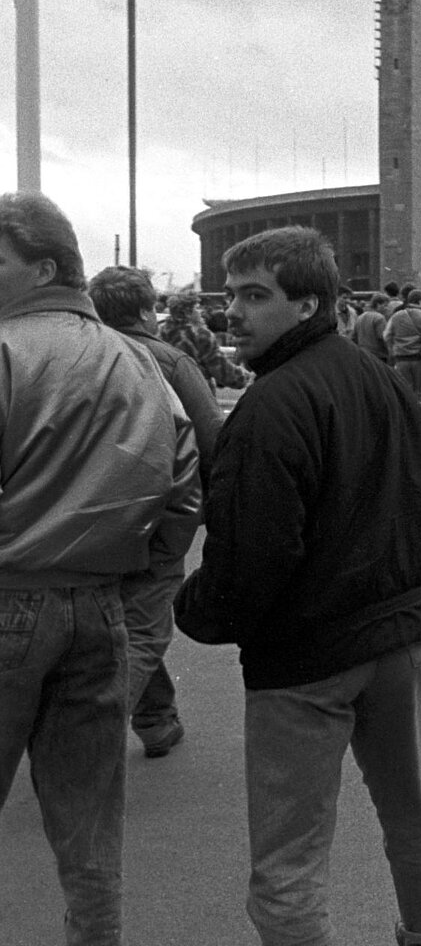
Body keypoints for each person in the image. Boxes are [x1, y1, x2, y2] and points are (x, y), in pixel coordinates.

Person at [174, 226, 421, 946]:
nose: (233, 311)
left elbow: (252, 558)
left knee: (288, 859)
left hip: (304, 657)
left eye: (254, 296)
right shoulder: (383, 382)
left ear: (306, 305)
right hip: (393, 634)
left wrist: (194, 608)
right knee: (411, 814)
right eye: (232, 294)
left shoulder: (271, 407)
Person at [0, 194, 200, 944]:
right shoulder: (138, 362)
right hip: (101, 606)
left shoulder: (8, 350)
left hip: (9, 595)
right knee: (89, 835)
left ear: (42, 267)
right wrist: (138, 566)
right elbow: (183, 484)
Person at [88, 264, 224, 760]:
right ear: (148, 310)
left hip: (88, 512)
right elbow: (211, 439)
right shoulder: (169, 361)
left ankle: (156, 718)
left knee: (121, 617)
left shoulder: (83, 357)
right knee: (145, 623)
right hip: (161, 513)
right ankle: (83, 727)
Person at [351, 291, 393, 361]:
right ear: (378, 304)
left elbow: (354, 337)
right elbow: (382, 337)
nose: (387, 308)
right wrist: (390, 351)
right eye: (385, 305)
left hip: (363, 355)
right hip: (378, 355)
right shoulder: (379, 318)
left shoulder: (360, 317)